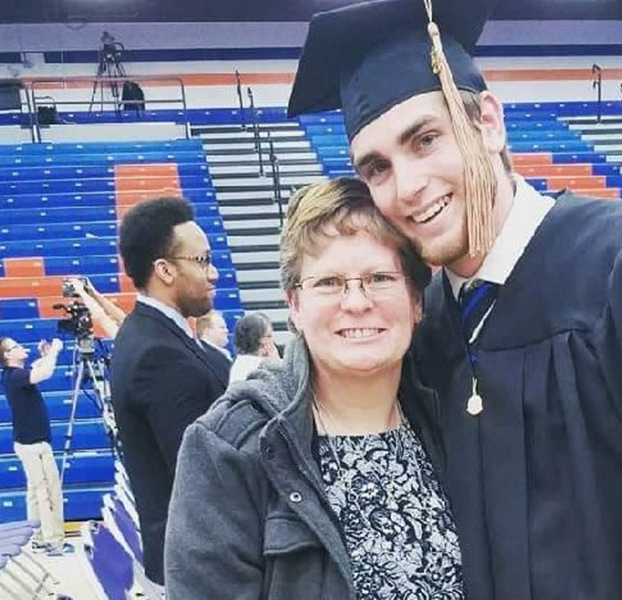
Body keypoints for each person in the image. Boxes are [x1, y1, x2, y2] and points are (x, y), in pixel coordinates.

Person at [285, 1, 622, 598]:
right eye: (376, 168)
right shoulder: (421, 335)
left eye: (426, 139)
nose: (407, 187)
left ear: (489, 123)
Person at [164, 178, 459, 599]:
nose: (356, 302)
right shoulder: (229, 447)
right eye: (329, 282)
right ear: (295, 305)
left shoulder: (455, 420)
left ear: (416, 300)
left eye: (378, 278)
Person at [110, 196, 232, 585]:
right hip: (208, 568)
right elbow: (204, 481)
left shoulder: (153, 335)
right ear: (164, 269)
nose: (213, 274)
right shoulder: (157, 355)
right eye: (202, 261)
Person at [0, 336, 71, 555]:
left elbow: (36, 369)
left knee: (35, 493)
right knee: (47, 492)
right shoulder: (13, 376)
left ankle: (39, 536)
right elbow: (42, 373)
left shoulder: (15, 376)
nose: (22, 347)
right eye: (15, 346)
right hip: (32, 443)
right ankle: (53, 540)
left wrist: (45, 357)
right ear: (7, 355)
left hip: (32, 441)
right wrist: (53, 352)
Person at [228, 312, 281, 385]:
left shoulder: (239, 362)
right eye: (269, 336)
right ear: (260, 340)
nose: (272, 340)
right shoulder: (263, 366)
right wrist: (276, 363)